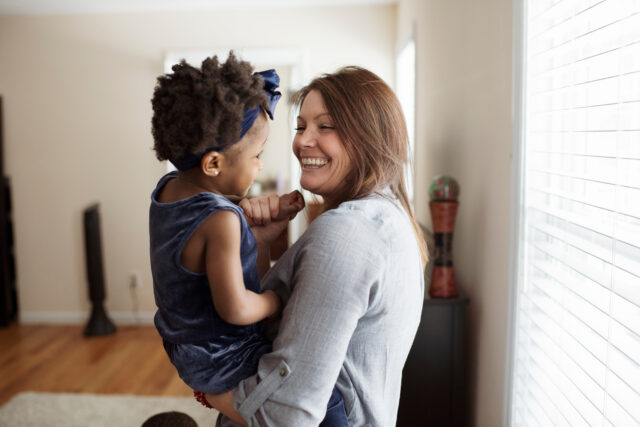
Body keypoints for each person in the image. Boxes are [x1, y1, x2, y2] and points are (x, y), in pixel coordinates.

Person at [208, 66, 429, 426]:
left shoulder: (347, 233)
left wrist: (208, 390)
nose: (302, 142)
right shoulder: (388, 217)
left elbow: (286, 414)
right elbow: (277, 327)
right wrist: (260, 244)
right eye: (300, 127)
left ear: (370, 137)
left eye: (325, 126)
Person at [148, 53, 348, 426]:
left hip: (187, 347)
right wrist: (279, 299)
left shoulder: (168, 189)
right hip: (223, 356)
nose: (260, 164)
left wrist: (256, 231)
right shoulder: (221, 221)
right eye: (257, 155)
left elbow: (223, 257)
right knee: (325, 398)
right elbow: (237, 309)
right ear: (213, 164)